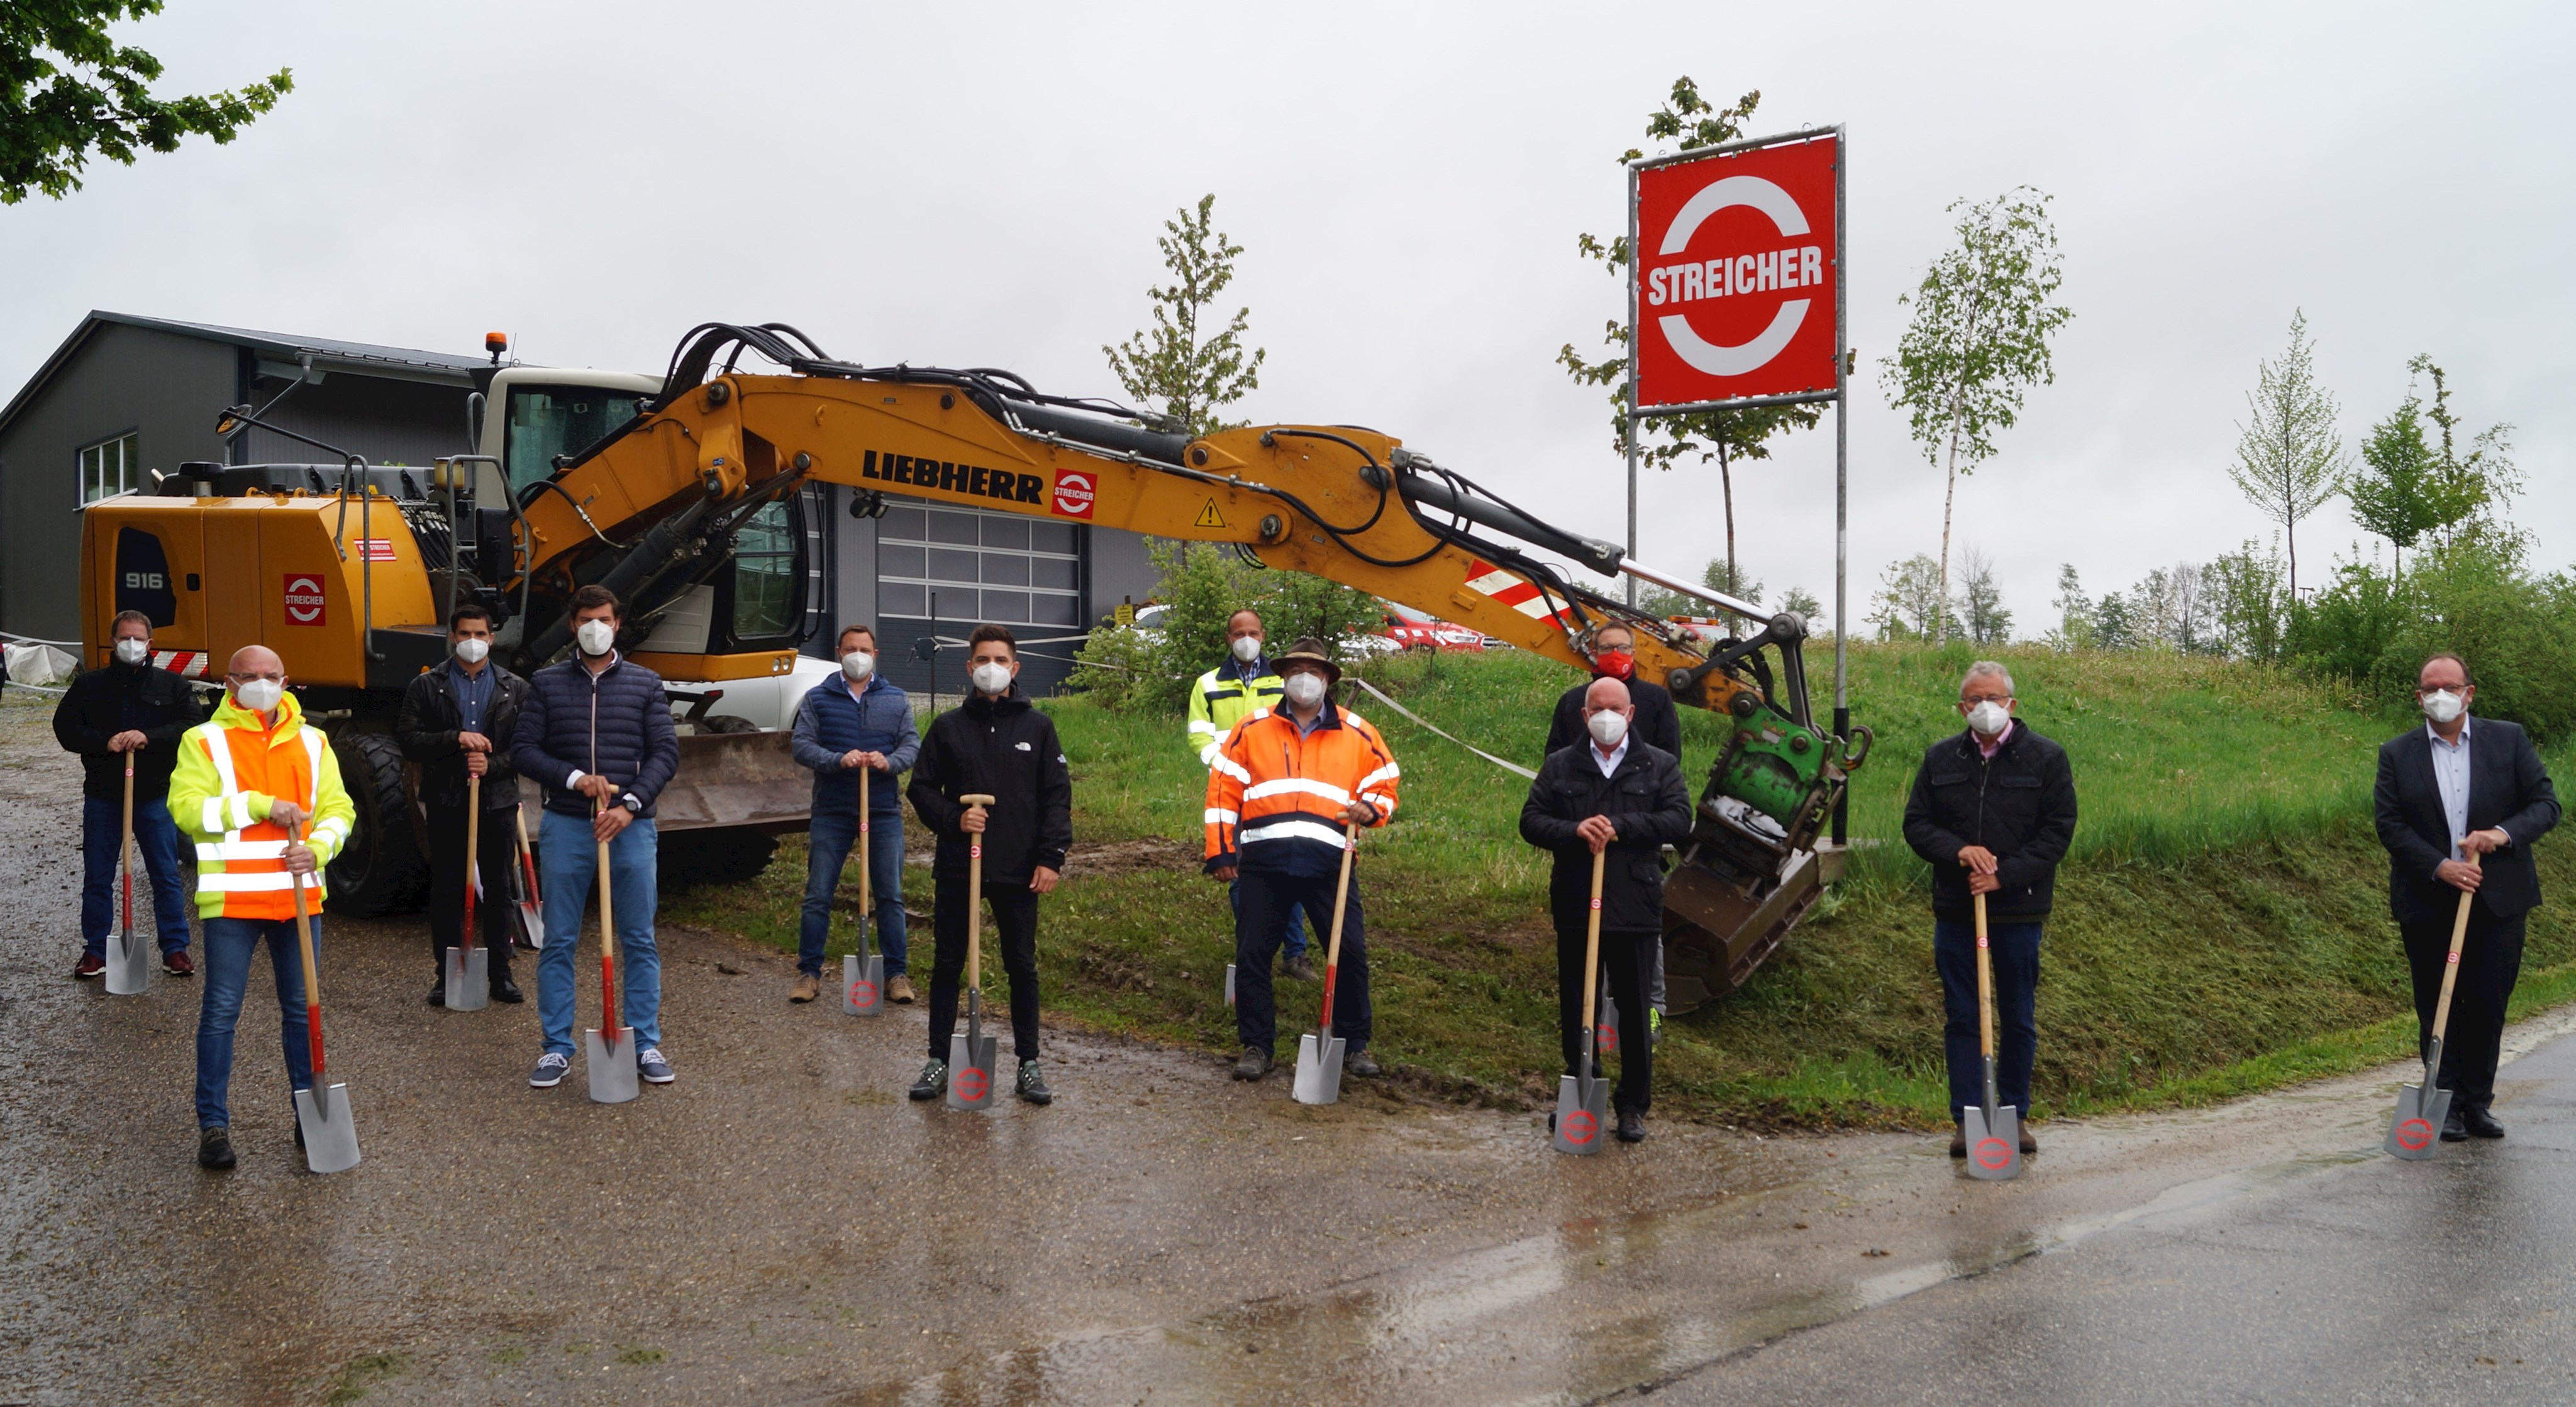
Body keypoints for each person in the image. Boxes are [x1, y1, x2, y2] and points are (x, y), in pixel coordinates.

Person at [170, 645, 355, 1170]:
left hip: (298, 900)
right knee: (222, 1012)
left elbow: (340, 809)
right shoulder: (203, 740)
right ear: (228, 683)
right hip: (232, 899)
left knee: (303, 1011)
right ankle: (213, 1124)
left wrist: (317, 849)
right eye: (248, 676)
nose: (260, 684)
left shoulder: (315, 742)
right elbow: (185, 810)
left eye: (270, 676)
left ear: (286, 680)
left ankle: (308, 1115)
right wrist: (257, 804)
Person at [2373, 653, 2560, 1141]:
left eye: (2449, 686)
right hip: (2429, 900)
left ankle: (2478, 1102)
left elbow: (2546, 805)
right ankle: (2446, 1103)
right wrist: (2441, 866)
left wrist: (2500, 834)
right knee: (2438, 1006)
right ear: (2419, 697)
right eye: (2429, 688)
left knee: (2487, 1003)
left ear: (2468, 693)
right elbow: (2390, 826)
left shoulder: (2509, 740)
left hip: (2498, 899)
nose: (2440, 695)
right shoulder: (2397, 753)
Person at [1901, 660, 2077, 1159]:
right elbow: (1917, 825)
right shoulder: (1941, 760)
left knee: (2017, 1015)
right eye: (1975, 700)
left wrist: (2004, 875)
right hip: (1958, 909)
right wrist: (1959, 851)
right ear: (1962, 707)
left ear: (2011, 704)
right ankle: (1967, 1117)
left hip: (2018, 911)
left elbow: (2058, 831)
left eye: (1993, 698)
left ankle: (2015, 1114)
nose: (1985, 708)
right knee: (1962, 1015)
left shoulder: (2046, 758)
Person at [1204, 636, 1401, 1082]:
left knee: (1349, 952)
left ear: (1328, 679)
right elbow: (1222, 791)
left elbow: (1385, 781)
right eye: (1296, 671)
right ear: (1284, 677)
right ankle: (1256, 1046)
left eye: (1314, 671)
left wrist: (1370, 808)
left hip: (1330, 865)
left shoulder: (1358, 732)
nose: (1304, 679)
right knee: (1254, 954)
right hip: (1263, 864)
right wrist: (1220, 851)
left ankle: (1356, 1044)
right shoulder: (1251, 729)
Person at [510, 585, 681, 1090]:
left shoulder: (646, 684)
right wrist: (573, 779)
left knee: (638, 938)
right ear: (572, 625)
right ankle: (556, 1049)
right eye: (585, 619)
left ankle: (645, 1042)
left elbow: (665, 754)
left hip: (631, 828)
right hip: (567, 824)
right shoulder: (544, 684)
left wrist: (630, 805)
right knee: (560, 938)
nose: (594, 627)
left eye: (603, 619)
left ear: (618, 624)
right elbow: (523, 749)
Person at [1519, 676, 1692, 1143]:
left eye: (1616, 707)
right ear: (1585, 715)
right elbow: (1531, 821)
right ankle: (1581, 1084)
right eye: (1598, 708)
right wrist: (1576, 830)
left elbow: (1679, 819)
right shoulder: (1561, 766)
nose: (1607, 716)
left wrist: (1621, 825)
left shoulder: (1658, 765)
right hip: (1578, 901)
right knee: (1579, 1003)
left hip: (1635, 903)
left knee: (1636, 1010)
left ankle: (1634, 1106)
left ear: (1631, 713)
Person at [906, 624, 1072, 1105]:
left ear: (1015, 668)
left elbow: (1057, 798)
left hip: (1018, 869)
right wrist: (955, 818)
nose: (991, 668)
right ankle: (938, 1057)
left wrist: (1051, 858)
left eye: (1000, 660)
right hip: (961, 865)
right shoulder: (947, 728)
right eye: (983, 660)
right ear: (970, 667)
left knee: (1021, 963)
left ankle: (1029, 1063)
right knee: (947, 962)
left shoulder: (1037, 728)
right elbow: (920, 788)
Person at [1541, 621, 1682, 1039]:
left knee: (1641, 934)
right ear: (1593, 653)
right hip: (1582, 842)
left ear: (1635, 651)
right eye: (1605, 647)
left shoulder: (1655, 701)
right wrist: (1576, 822)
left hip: (1636, 845)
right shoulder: (1571, 703)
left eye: (1622, 646)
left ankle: (1650, 1010)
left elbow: (1669, 765)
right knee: (1586, 937)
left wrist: (1629, 822)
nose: (1614, 653)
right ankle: (1594, 1013)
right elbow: (1555, 764)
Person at [55, 609, 204, 979]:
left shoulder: (173, 686)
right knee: (98, 876)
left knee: (165, 874)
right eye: (125, 638)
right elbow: (65, 727)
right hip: (104, 795)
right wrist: (103, 742)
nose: (132, 644)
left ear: (150, 644)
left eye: (138, 638)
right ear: (114, 642)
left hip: (154, 795)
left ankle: (175, 948)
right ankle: (95, 950)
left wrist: (149, 737)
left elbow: (193, 725)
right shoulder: (89, 686)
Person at [397, 604, 528, 1007]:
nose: (473, 642)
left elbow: (527, 748)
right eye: (465, 634)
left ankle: (501, 975)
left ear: (492, 638)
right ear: (453, 637)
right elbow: (408, 740)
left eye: (480, 634)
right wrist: (455, 738)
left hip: (498, 802)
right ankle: (447, 974)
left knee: (500, 888)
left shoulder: (515, 688)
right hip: (447, 799)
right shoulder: (426, 686)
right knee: (449, 889)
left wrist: (492, 764)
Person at [789, 622, 919, 1005]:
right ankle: (808, 973)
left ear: (875, 655)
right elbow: (801, 745)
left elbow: (911, 745)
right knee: (818, 894)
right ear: (839, 653)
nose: (857, 655)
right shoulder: (819, 698)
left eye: (864, 649)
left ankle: (896, 974)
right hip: (832, 809)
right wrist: (837, 759)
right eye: (850, 649)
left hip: (882, 811)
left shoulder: (895, 699)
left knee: (890, 895)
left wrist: (889, 761)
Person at [1185, 607, 1314, 982]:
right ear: (1229, 638)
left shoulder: (1282, 681)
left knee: (1286, 869)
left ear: (1263, 636)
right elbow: (1198, 734)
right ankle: (1254, 947)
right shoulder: (1207, 684)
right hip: (1232, 795)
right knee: (1238, 870)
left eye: (1253, 633)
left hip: (1277, 791)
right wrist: (1226, 768)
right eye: (1239, 633)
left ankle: (1294, 953)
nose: (1246, 639)